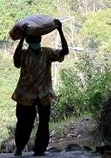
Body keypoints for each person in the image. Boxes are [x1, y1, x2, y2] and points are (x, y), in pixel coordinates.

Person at [11, 19, 68, 156]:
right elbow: (16, 62)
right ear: (28, 42)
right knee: (24, 123)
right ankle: (19, 147)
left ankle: (40, 150)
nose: (36, 42)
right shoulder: (24, 54)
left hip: (43, 94)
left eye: (38, 39)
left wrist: (60, 30)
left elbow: (64, 51)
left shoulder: (47, 53)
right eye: (33, 39)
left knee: (44, 123)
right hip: (26, 95)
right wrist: (22, 38)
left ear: (41, 39)